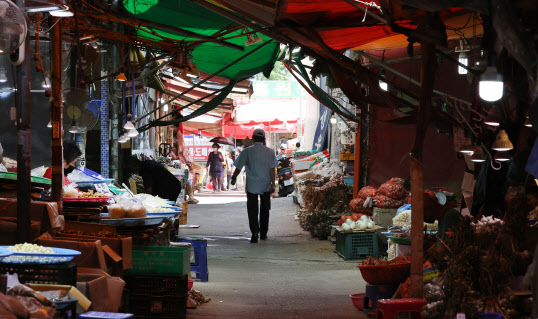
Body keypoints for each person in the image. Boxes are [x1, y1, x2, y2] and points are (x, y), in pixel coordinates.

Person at [231, 128, 278, 243]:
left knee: (252, 209)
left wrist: (233, 178)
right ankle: (263, 233)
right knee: (265, 209)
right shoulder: (270, 152)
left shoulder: (247, 151)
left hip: (252, 185)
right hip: (265, 184)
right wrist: (273, 184)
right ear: (264, 139)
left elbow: (238, 167)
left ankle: (254, 232)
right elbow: (273, 169)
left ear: (252, 139)